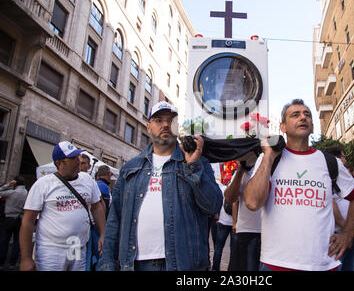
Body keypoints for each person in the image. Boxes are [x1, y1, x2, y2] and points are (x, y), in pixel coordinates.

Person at [98, 101, 223, 271]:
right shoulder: (130, 168)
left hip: (183, 265)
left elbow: (213, 205)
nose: (165, 124)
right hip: (134, 264)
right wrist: (107, 263)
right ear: (148, 127)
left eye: (171, 120)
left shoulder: (196, 162)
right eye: (158, 120)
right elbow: (115, 219)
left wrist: (193, 166)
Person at [243, 99, 354, 271]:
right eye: (295, 115)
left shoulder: (330, 162)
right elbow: (253, 202)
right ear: (283, 127)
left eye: (307, 115)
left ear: (313, 127)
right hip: (276, 264)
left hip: (323, 265)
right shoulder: (270, 159)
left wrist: (347, 233)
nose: (303, 118)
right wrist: (269, 156)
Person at [19, 141, 106, 271]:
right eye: (72, 158)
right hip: (51, 251)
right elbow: (27, 221)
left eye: (78, 156)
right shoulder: (43, 184)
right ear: (59, 163)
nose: (78, 161)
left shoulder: (88, 180)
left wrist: (103, 233)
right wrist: (26, 258)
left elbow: (96, 207)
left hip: (78, 249)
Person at [324, 146, 354, 271]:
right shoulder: (331, 170)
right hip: (337, 237)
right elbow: (332, 204)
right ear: (338, 158)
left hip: (346, 234)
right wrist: (346, 230)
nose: (345, 160)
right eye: (344, 156)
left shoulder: (340, 175)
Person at [225, 160, 261, 271]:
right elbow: (231, 199)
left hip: (268, 234)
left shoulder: (275, 167)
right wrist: (240, 171)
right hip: (246, 231)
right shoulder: (244, 172)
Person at [0, 176, 28, 270]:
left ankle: (1, 261)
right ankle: (13, 262)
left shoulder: (11, 192)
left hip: (9, 218)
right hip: (20, 218)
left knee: (4, 240)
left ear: (15, 183)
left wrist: (8, 185)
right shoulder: (26, 193)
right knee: (17, 241)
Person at [212, 183, 235, 271]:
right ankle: (231, 268)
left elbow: (217, 202)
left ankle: (215, 268)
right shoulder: (238, 188)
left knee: (218, 247)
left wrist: (217, 215)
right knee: (233, 249)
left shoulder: (222, 189)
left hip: (223, 221)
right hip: (234, 222)